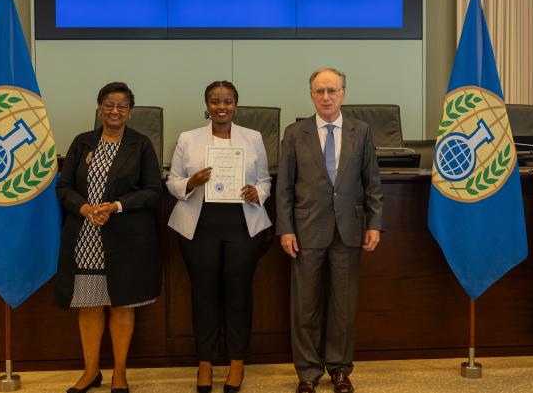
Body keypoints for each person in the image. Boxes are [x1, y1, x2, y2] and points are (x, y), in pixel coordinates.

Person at [276, 68, 383, 393]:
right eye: (320, 91)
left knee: (343, 306)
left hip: (349, 229)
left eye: (332, 91)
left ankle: (339, 370)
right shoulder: (295, 133)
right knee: (305, 305)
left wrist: (374, 223)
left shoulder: (361, 130)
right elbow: (284, 188)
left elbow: (372, 182)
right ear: (311, 94)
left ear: (343, 94)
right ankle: (308, 372)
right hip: (306, 231)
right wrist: (286, 229)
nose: (326, 97)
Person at [54, 82, 163, 393]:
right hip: (85, 236)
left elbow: (154, 190)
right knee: (89, 305)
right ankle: (91, 372)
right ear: (99, 107)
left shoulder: (140, 144)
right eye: (109, 104)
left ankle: (119, 373)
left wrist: (116, 206)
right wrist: (85, 207)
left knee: (121, 305)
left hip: (125, 238)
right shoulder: (82, 142)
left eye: (122, 106)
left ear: (130, 112)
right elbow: (63, 187)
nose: (115, 111)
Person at [167, 80, 272, 393]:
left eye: (227, 101)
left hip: (242, 223)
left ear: (235, 105)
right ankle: (205, 363)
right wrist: (191, 182)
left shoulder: (253, 138)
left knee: (239, 293)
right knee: (204, 294)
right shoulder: (189, 138)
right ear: (207, 105)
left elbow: (265, 179)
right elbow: (172, 181)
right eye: (215, 101)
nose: (221, 107)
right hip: (199, 225)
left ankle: (237, 362)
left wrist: (259, 193)